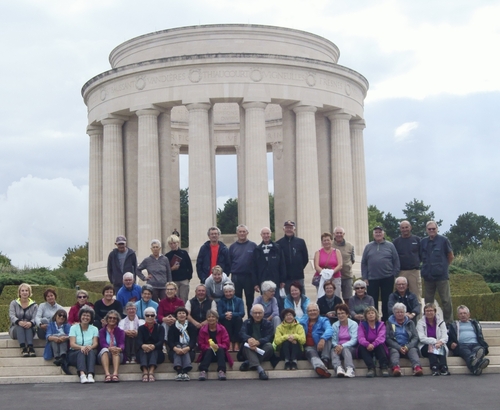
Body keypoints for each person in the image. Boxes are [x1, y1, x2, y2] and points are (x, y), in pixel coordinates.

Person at [361, 226, 400, 321]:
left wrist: (394, 274)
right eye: (376, 232)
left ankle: (386, 320)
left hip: (387, 277)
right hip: (372, 278)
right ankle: (374, 320)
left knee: (386, 300)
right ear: (373, 234)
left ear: (383, 234)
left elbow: (396, 261)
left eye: (380, 232)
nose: (378, 234)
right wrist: (365, 277)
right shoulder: (368, 246)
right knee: (372, 300)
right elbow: (364, 262)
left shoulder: (390, 246)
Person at [421, 221, 454, 323]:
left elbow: (450, 256)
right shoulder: (423, 242)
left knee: (445, 300)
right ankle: (429, 321)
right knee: (428, 301)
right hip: (428, 276)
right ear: (426, 230)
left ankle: (449, 323)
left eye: (433, 229)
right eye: (429, 229)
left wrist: (443, 266)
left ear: (437, 229)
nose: (431, 231)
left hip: (441, 276)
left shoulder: (444, 240)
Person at [447, 305, 489, 375]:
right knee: (467, 352)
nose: (463, 315)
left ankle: (475, 367)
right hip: (462, 345)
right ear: (458, 315)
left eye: (464, 313)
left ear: (469, 315)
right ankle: (478, 363)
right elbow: (449, 339)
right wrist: (451, 344)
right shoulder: (453, 325)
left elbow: (480, 336)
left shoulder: (475, 324)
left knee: (480, 349)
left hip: (476, 344)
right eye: (461, 313)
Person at [238, 304, 275, 380]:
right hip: (250, 348)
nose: (257, 315)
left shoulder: (268, 324)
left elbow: (270, 337)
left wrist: (258, 342)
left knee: (269, 346)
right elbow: (241, 333)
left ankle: (249, 362)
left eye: (260, 313)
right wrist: (249, 339)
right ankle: (260, 370)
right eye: (255, 313)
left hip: (262, 348)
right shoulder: (246, 322)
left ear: (263, 313)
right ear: (252, 314)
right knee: (246, 345)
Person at [386, 302, 423, 377]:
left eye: (402, 312)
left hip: (408, 345)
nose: (400, 314)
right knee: (394, 352)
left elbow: (415, 337)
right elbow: (387, 338)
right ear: (394, 313)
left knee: (413, 351)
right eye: (397, 312)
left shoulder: (410, 322)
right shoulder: (389, 323)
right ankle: (395, 368)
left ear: (405, 313)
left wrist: (407, 347)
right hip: (395, 346)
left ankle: (417, 367)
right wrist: (399, 347)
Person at [229, 224, 257, 316]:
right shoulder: (232, 247)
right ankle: (238, 321)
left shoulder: (253, 246)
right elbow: (229, 262)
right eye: (240, 231)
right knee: (237, 300)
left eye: (244, 231)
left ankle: (250, 320)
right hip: (236, 276)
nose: (242, 233)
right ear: (237, 233)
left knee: (250, 300)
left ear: (247, 233)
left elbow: (257, 262)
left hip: (249, 276)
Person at [197, 310, 233, 381]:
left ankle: (221, 371)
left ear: (217, 318)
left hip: (220, 354)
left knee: (220, 349)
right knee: (210, 350)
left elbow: (226, 344)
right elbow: (200, 344)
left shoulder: (222, 329)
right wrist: (208, 347)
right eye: (209, 317)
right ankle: (203, 371)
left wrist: (218, 345)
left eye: (213, 317)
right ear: (207, 319)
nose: (211, 318)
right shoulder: (203, 329)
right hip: (207, 353)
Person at [299, 303, 332, 378]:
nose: (312, 312)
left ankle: (325, 361)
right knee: (310, 352)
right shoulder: (302, 322)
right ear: (307, 313)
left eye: (314, 310)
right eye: (310, 311)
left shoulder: (324, 320)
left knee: (328, 338)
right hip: (310, 347)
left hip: (322, 347)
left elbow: (329, 329)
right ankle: (320, 367)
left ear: (318, 311)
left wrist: (323, 338)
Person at [276, 220, 309, 294]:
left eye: (291, 228)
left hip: (298, 276)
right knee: (287, 298)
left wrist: (299, 268)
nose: (289, 230)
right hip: (285, 278)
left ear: (294, 229)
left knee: (301, 296)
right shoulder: (278, 244)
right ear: (283, 229)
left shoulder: (301, 242)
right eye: (287, 228)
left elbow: (305, 258)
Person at [417, 303, 449, 376]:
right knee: (431, 347)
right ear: (424, 312)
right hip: (425, 346)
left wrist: (440, 342)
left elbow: (445, 336)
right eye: (427, 311)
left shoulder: (441, 322)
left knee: (439, 347)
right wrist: (435, 341)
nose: (429, 313)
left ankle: (443, 367)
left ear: (435, 312)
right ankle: (435, 367)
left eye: (431, 310)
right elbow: (421, 338)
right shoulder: (420, 323)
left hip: (439, 344)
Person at [68, 306, 99, 384]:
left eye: (88, 316)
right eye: (84, 315)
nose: (86, 317)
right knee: (81, 352)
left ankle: (90, 374)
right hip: (75, 352)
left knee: (91, 351)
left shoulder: (95, 329)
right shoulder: (73, 328)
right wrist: (81, 347)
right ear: (80, 316)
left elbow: (95, 343)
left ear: (91, 317)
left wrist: (90, 347)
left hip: (89, 351)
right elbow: (72, 344)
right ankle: (82, 374)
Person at [357, 306, 389, 377]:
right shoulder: (362, 325)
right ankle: (371, 368)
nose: (371, 315)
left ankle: (384, 367)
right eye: (368, 313)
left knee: (381, 345)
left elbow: (381, 337)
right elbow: (360, 337)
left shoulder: (381, 324)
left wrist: (373, 344)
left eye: (372, 313)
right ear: (366, 316)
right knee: (362, 347)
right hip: (367, 346)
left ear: (376, 315)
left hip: (377, 345)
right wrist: (367, 344)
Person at [167, 307, 198, 381]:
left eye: (183, 313)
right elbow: (170, 341)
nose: (181, 315)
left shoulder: (191, 326)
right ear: (176, 316)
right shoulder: (172, 327)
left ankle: (185, 371)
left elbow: (193, 341)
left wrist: (187, 348)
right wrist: (176, 349)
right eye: (179, 313)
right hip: (175, 350)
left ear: (186, 315)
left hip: (189, 350)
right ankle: (179, 372)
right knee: (178, 346)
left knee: (184, 346)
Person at [253, 227, 286, 293]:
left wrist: (283, 280)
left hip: (276, 279)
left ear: (270, 234)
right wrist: (255, 283)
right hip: (263, 279)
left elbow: (282, 264)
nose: (266, 236)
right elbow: (254, 267)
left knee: (276, 299)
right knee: (265, 300)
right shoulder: (257, 249)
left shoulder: (277, 248)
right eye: (264, 234)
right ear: (261, 235)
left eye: (267, 233)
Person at [393, 221, 422, 297]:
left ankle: (417, 309)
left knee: (416, 294)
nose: (405, 229)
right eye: (402, 228)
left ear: (410, 227)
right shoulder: (396, 242)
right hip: (400, 272)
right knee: (399, 294)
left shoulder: (418, 240)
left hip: (414, 271)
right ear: (400, 229)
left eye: (406, 227)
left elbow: (422, 254)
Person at [136, 307, 165, 382]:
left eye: (152, 315)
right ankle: (145, 371)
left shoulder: (160, 328)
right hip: (144, 351)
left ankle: (151, 371)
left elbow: (161, 341)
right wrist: (143, 346)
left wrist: (153, 346)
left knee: (154, 350)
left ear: (155, 316)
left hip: (157, 352)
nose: (150, 317)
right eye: (147, 315)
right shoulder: (141, 328)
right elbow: (139, 341)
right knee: (142, 351)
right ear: (144, 316)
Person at [9, 283, 38, 357]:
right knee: (20, 326)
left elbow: (36, 317)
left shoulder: (34, 305)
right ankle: (23, 347)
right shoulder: (13, 303)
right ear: (19, 292)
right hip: (16, 329)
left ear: (29, 292)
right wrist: (19, 322)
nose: (24, 292)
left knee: (28, 325)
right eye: (22, 291)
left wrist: (31, 323)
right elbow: (11, 315)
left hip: (30, 330)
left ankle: (30, 347)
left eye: (26, 290)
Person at [331, 303, 358, 378]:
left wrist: (342, 346)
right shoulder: (335, 325)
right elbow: (333, 340)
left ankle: (350, 369)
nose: (340, 315)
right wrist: (337, 346)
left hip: (350, 348)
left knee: (345, 349)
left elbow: (354, 340)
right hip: (338, 348)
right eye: (338, 314)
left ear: (347, 314)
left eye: (342, 313)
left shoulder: (354, 324)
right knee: (333, 350)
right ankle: (338, 368)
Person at [98, 310, 125, 382]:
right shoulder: (102, 331)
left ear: (117, 320)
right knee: (104, 350)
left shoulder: (120, 331)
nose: (112, 319)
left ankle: (115, 374)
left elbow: (122, 343)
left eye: (114, 318)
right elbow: (102, 343)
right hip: (105, 354)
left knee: (115, 351)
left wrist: (119, 348)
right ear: (107, 319)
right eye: (110, 318)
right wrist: (109, 348)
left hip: (117, 354)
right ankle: (107, 374)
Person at [165, 234, 193, 303]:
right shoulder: (167, 256)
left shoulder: (184, 253)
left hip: (184, 280)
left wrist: (188, 278)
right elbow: (165, 270)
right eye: (171, 244)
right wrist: (172, 268)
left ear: (178, 243)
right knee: (174, 299)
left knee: (184, 299)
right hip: (174, 280)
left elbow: (189, 266)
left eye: (174, 243)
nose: (173, 245)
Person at [313, 232, 343, 298]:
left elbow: (340, 265)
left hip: (335, 277)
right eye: (324, 240)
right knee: (322, 297)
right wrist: (324, 273)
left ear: (331, 241)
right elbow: (316, 266)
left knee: (336, 296)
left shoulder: (337, 252)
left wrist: (331, 272)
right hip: (321, 277)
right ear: (322, 242)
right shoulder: (318, 252)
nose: (326, 242)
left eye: (328, 240)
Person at [332, 227, 355, 304]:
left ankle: (348, 314)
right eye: (337, 233)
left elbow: (353, 260)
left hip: (347, 276)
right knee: (335, 298)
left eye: (340, 233)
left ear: (344, 234)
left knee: (348, 298)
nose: (339, 235)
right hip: (333, 277)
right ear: (334, 234)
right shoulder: (330, 245)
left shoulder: (350, 246)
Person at [218, 283, 245, 351]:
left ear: (234, 292)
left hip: (236, 319)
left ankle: (236, 342)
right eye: (226, 292)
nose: (228, 294)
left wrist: (232, 314)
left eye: (230, 291)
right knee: (227, 321)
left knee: (239, 320)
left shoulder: (239, 300)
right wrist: (225, 315)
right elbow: (219, 315)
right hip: (225, 320)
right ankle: (229, 342)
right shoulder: (221, 301)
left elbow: (242, 313)